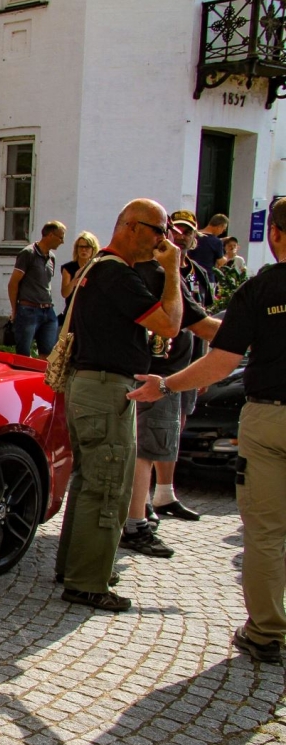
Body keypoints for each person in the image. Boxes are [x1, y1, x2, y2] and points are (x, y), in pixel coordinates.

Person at [129, 197, 286, 665]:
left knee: (266, 533)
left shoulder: (261, 289)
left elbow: (221, 362)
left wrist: (165, 384)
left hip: (270, 417)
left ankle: (266, 633)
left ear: (275, 234)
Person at [54, 199, 183, 613]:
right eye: (159, 230)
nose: (163, 240)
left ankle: (75, 568)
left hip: (89, 386)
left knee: (89, 481)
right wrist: (173, 271)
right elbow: (170, 324)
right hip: (106, 389)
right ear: (131, 227)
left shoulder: (98, 268)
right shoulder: (117, 273)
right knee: (107, 484)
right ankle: (86, 582)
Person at [119, 210, 221, 559]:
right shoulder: (157, 273)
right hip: (157, 375)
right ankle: (136, 522)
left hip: (160, 372)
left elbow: (200, 321)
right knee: (146, 450)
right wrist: (252, 335)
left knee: (149, 446)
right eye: (167, 232)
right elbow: (193, 324)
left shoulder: (133, 268)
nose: (174, 238)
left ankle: (149, 506)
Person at [8, 221, 66, 357]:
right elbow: (13, 284)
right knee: (23, 355)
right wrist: (15, 310)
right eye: (60, 237)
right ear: (50, 235)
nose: (62, 242)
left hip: (48, 311)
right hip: (28, 310)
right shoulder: (28, 253)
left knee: (48, 355)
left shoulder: (51, 257)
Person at [59, 230, 100, 318]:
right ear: (76, 249)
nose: (83, 250)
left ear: (93, 249)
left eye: (87, 247)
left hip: (91, 312)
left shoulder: (97, 268)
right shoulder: (69, 268)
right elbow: (65, 293)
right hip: (72, 312)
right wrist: (75, 279)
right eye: (81, 247)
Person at [189, 213, 229, 278]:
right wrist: (228, 254)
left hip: (191, 275)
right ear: (219, 226)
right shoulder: (216, 242)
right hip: (206, 277)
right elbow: (220, 262)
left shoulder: (194, 235)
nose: (222, 232)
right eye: (223, 229)